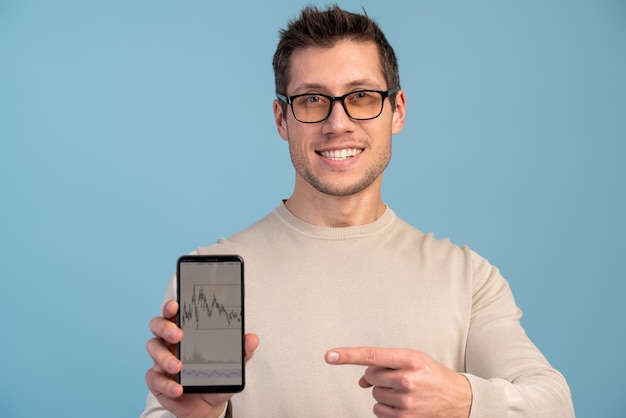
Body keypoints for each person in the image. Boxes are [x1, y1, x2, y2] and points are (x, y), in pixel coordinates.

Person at [142, 5, 574, 417]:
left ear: (397, 110)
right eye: (312, 99)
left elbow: (555, 406)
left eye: (362, 96)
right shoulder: (206, 278)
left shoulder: (468, 278)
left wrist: (464, 401)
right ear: (281, 119)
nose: (338, 123)